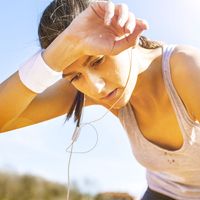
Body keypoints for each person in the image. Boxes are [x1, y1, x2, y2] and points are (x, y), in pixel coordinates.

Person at [0, 0, 200, 199]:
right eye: (76, 77)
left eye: (98, 61)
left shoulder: (186, 68)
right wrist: (50, 61)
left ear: (125, 33)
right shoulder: (90, 88)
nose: (95, 88)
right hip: (162, 193)